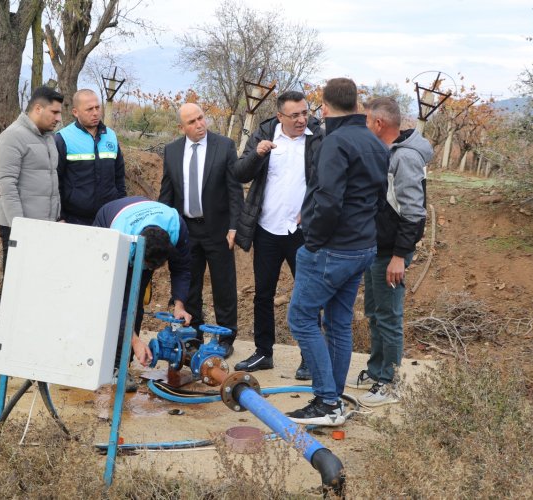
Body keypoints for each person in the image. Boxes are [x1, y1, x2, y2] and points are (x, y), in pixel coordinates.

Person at [286, 78, 389, 425]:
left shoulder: (335, 142)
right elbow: (377, 197)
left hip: (333, 249)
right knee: (339, 323)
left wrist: (313, 240)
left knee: (301, 318)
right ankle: (333, 397)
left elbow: (328, 200)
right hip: (362, 246)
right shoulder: (373, 142)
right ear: (356, 103)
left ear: (325, 107)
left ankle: (327, 402)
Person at [346, 97, 432, 407]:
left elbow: (413, 212)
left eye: (367, 121)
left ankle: (390, 382)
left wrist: (399, 255)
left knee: (389, 316)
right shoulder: (387, 153)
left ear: (379, 124)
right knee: (375, 312)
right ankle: (377, 370)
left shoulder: (405, 158)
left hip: (391, 252)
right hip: (377, 247)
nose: (364, 126)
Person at [232, 90, 323, 379]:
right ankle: (263, 353)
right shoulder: (265, 134)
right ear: (280, 116)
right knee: (263, 294)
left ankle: (310, 357)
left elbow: (329, 182)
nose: (301, 119)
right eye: (294, 115)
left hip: (302, 232)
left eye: (304, 113)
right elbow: (240, 173)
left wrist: (310, 211)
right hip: (267, 229)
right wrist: (257, 155)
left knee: (308, 295)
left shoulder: (318, 138)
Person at [159, 103, 243, 358]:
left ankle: (226, 336)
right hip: (186, 230)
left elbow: (234, 190)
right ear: (181, 127)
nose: (200, 125)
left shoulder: (224, 146)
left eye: (201, 118)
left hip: (218, 229)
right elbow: (167, 194)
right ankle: (193, 335)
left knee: (223, 285)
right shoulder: (172, 151)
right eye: (193, 122)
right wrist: (165, 230)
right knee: (190, 284)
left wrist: (234, 226)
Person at [93, 196, 192, 391]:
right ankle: (94, 358)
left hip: (145, 225)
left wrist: (179, 305)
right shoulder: (120, 243)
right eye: (148, 265)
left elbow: (182, 268)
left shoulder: (176, 227)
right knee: (106, 298)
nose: (151, 269)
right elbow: (117, 302)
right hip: (109, 219)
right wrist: (135, 339)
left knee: (135, 301)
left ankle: (120, 366)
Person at [0, 86, 64, 276]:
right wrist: (20, 227)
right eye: (55, 112)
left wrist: (57, 216)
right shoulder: (12, 136)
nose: (58, 118)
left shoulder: (49, 137)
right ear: (38, 109)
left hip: (44, 224)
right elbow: (7, 185)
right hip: (18, 226)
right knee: (14, 286)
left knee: (35, 284)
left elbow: (50, 179)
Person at [56, 89, 126, 226]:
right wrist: (60, 215)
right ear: (75, 112)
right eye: (89, 109)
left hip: (109, 217)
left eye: (97, 107)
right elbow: (55, 182)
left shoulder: (110, 135)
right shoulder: (63, 138)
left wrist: (121, 208)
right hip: (74, 219)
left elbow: (119, 177)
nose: (95, 113)